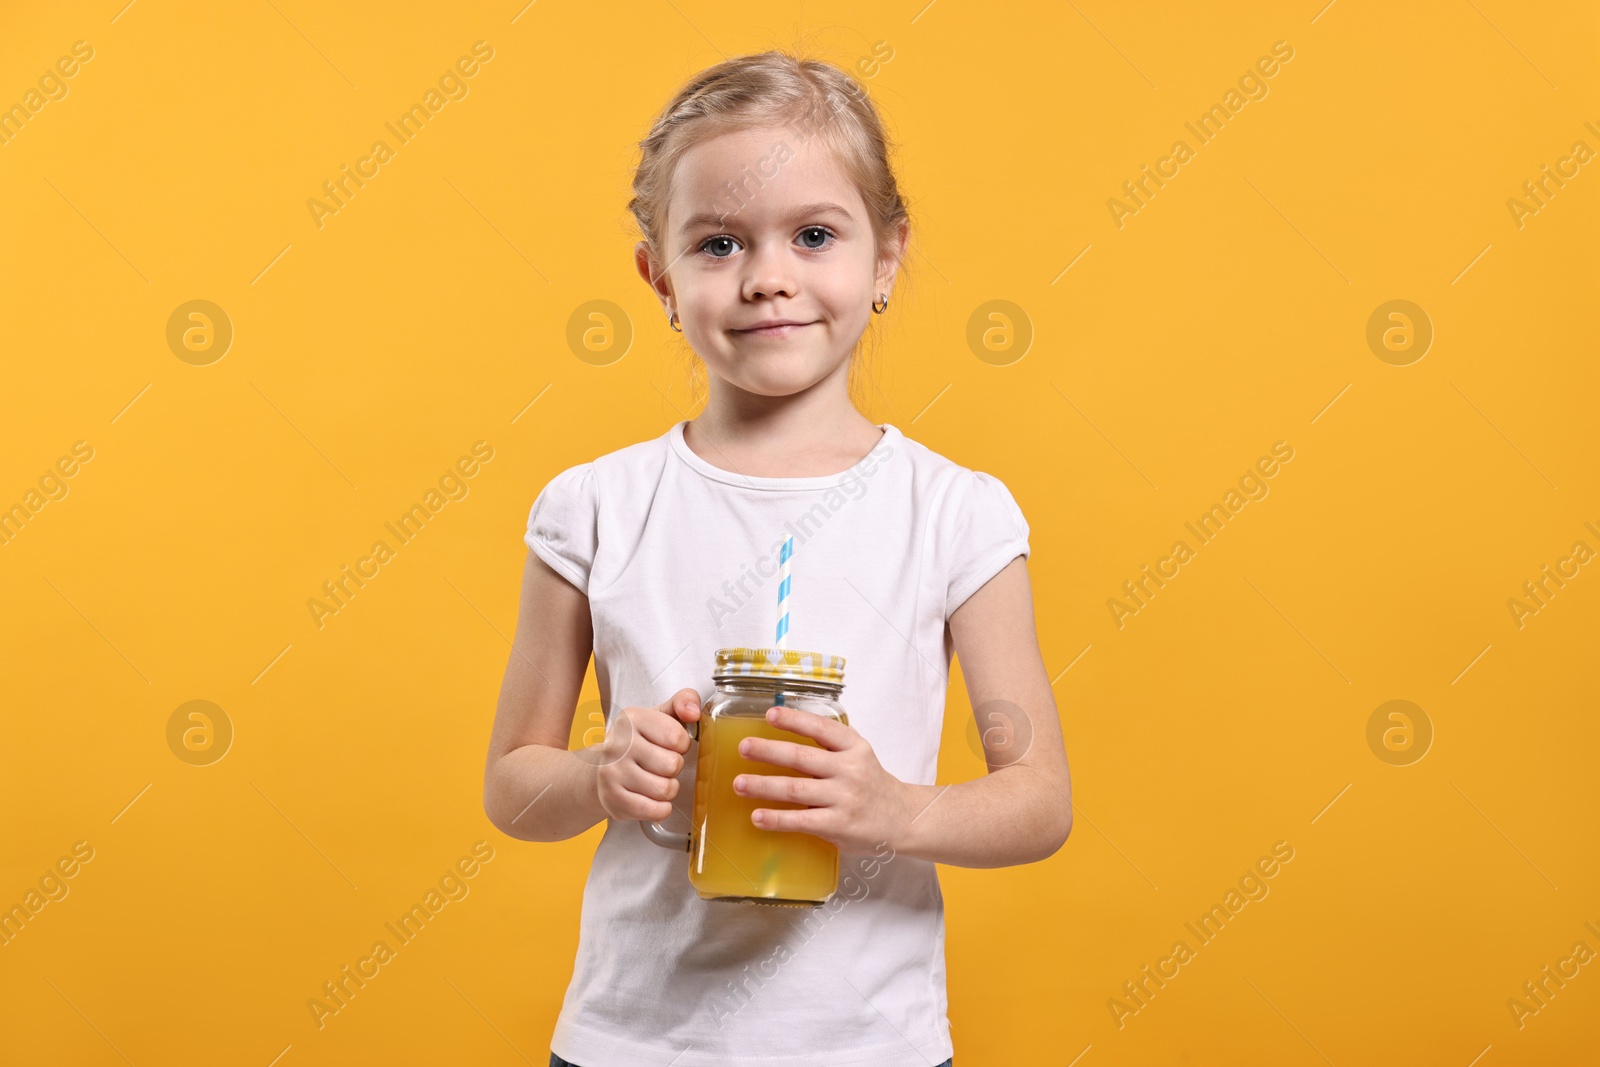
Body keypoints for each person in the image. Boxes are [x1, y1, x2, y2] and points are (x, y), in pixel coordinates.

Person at [483, 48, 1073, 1067]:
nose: (768, 277)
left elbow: (1039, 798)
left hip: (869, 1044)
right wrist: (599, 773)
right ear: (657, 275)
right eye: (717, 243)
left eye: (813, 234)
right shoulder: (593, 508)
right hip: (632, 1039)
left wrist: (893, 807)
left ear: (885, 256)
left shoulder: (955, 514)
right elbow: (512, 785)